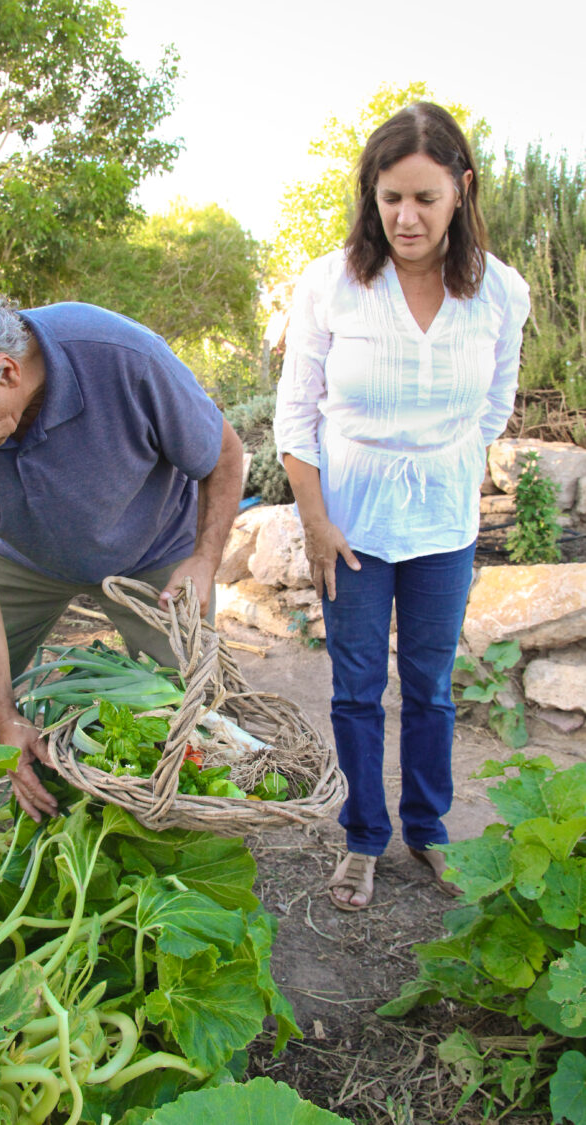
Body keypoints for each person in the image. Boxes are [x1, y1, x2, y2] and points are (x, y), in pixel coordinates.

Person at [0, 282, 243, 821]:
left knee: (195, 698)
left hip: (152, 548)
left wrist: (203, 559)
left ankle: (191, 836)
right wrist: (3, 716)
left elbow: (223, 453)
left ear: (7, 372)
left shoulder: (121, 357)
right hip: (25, 557)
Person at [274, 102, 530, 911]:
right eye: (390, 198)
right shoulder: (331, 284)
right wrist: (315, 517)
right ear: (370, 196)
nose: (406, 217)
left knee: (430, 684)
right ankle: (362, 838)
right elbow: (295, 415)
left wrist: (445, 462)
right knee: (355, 686)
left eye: (424, 196)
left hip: (444, 524)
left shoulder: (501, 291)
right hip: (347, 522)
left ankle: (428, 825)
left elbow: (496, 407)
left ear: (462, 188)